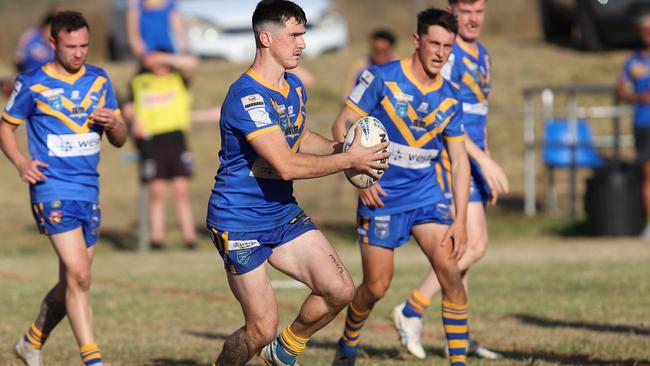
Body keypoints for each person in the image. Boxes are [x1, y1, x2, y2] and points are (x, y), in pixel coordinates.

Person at [205, 1, 389, 365]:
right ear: (266, 37)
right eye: (294, 35)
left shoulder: (293, 87)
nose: (302, 43)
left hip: (281, 213)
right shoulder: (247, 96)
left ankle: (285, 350)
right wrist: (349, 160)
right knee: (260, 328)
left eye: (303, 35)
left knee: (340, 290)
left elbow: (299, 136)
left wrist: (344, 146)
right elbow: (286, 164)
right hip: (239, 220)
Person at [331, 8, 472, 366]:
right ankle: (348, 343)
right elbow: (343, 122)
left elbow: (460, 161)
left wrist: (461, 219)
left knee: (451, 274)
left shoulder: (452, 96)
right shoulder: (381, 77)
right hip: (382, 195)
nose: (441, 53)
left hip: (426, 196)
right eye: (434, 43)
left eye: (448, 46)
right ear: (417, 41)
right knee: (376, 287)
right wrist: (356, 176)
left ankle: (459, 362)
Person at [0, 11, 127, 366]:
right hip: (51, 188)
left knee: (72, 281)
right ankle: (93, 359)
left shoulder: (100, 80)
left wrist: (114, 121)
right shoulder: (33, 82)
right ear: (52, 43)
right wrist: (22, 163)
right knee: (80, 275)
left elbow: (119, 139)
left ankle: (31, 341)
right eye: (70, 46)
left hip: (89, 190)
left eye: (84, 45)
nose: (78, 53)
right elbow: (5, 128)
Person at [390, 0, 509, 360]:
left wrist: (485, 161)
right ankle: (411, 310)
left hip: (475, 162)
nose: (473, 19)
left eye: (479, 11)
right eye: (466, 12)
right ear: (452, 11)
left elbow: (479, 115)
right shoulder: (450, 56)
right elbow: (446, 117)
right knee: (473, 245)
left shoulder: (483, 56)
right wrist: (481, 160)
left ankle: (458, 334)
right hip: (451, 159)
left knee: (464, 248)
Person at [122, 62, 197, 250]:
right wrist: (132, 120)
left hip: (177, 139)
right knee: (157, 192)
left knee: (181, 191)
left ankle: (190, 239)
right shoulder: (139, 81)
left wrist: (164, 56)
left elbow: (192, 63)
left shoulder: (178, 77)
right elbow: (128, 108)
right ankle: (157, 240)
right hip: (152, 142)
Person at [617, 15, 650, 239]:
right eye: (645, 29)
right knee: (648, 175)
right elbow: (621, 90)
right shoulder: (634, 61)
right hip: (644, 123)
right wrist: (640, 97)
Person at [126, 0, 199, 79]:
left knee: (191, 62)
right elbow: (134, 40)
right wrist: (145, 55)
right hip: (149, 54)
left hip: (167, 55)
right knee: (152, 61)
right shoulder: (136, 7)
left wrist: (186, 51)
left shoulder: (170, 5)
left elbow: (180, 33)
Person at [342, 28, 398, 100]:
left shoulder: (399, 69)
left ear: (391, 50)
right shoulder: (359, 68)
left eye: (383, 52)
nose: (379, 57)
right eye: (376, 51)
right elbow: (347, 95)